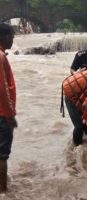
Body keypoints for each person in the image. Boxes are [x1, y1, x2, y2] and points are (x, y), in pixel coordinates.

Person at [0, 23, 16, 193]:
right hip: (2, 114)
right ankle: (3, 191)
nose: (12, 40)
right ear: (3, 37)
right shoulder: (1, 57)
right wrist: (10, 114)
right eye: (11, 36)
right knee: (2, 155)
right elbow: (2, 89)